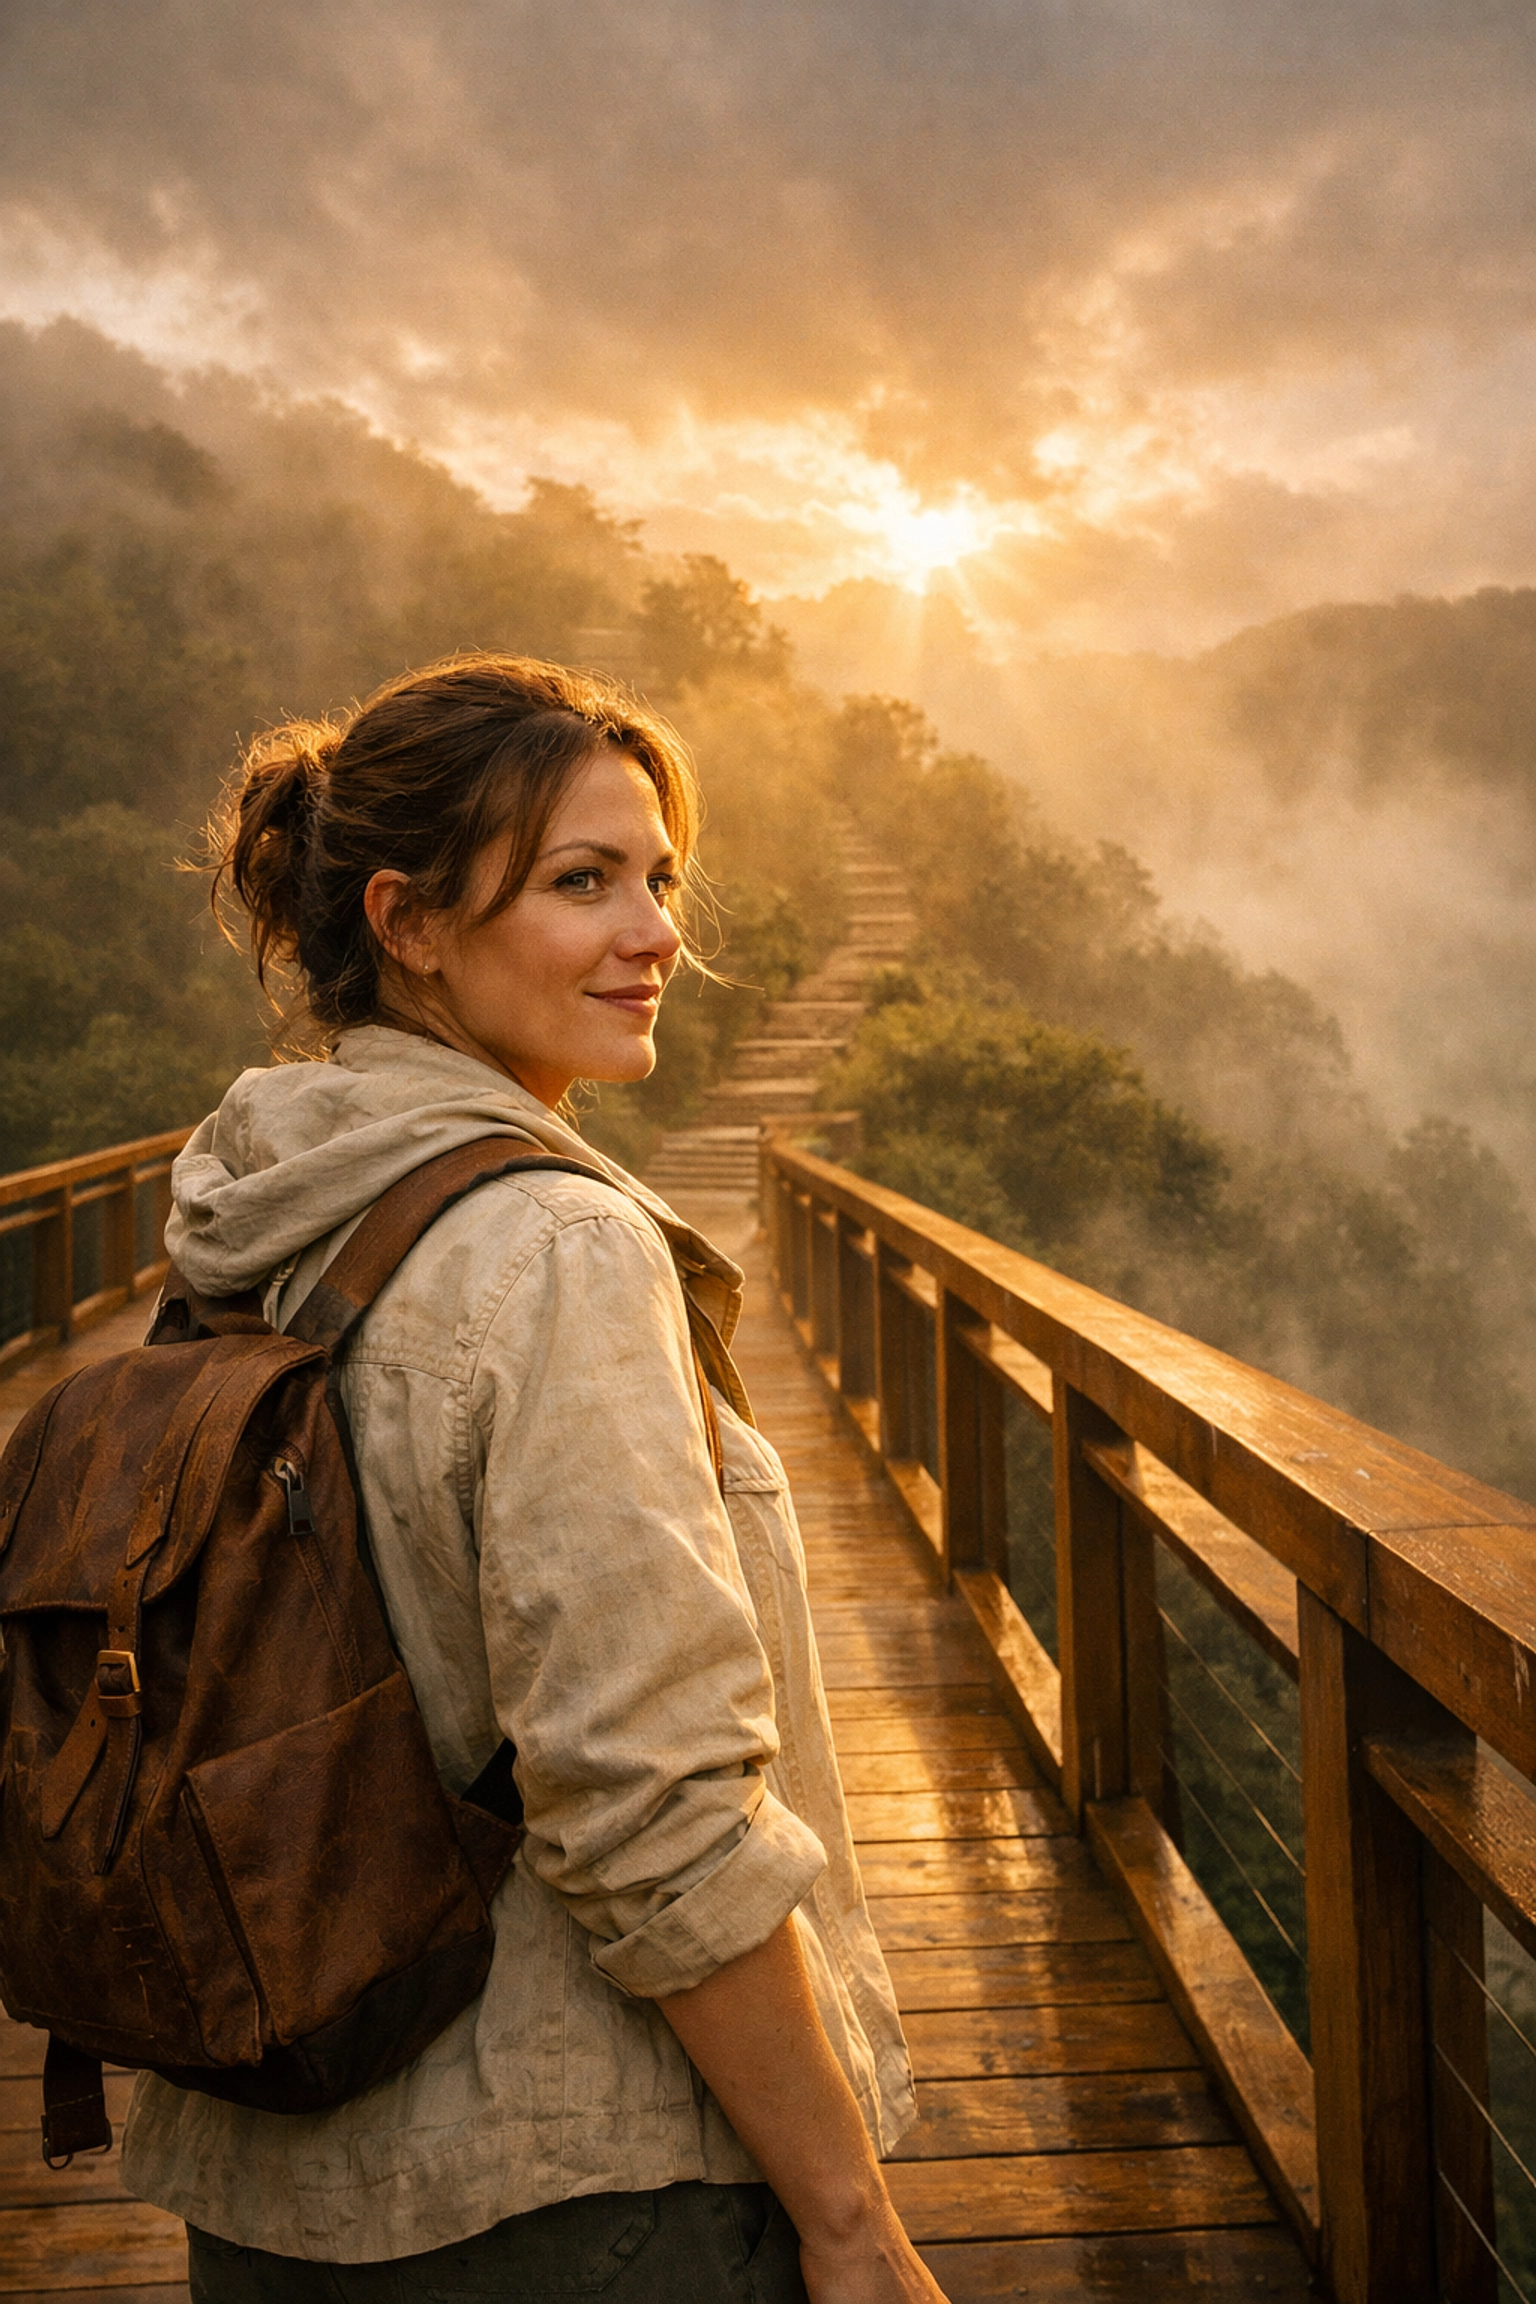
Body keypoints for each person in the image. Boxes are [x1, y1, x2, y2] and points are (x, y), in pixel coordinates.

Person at [120, 654, 949, 2304]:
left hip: (277, 2187)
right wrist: (854, 2226)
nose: (658, 935)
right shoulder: (555, 1252)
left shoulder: (256, 1196)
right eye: (583, 883)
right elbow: (648, 1813)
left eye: (660, 879)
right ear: (408, 923)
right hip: (569, 2194)